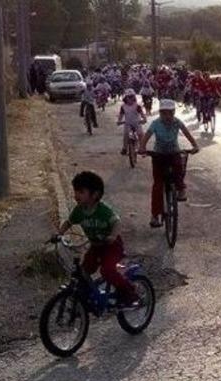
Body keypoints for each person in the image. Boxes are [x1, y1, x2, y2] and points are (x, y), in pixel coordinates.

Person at [55, 171, 138, 306]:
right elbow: (69, 222)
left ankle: (129, 291)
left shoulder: (103, 210)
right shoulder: (79, 210)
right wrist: (59, 233)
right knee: (83, 271)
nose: (76, 195)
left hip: (112, 246)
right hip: (96, 246)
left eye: (81, 192)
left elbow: (116, 222)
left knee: (107, 270)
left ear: (95, 195)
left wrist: (112, 235)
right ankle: (86, 296)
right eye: (76, 191)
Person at [138, 99, 200, 227]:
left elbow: (187, 134)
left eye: (170, 113)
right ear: (160, 113)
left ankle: (181, 189)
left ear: (174, 113)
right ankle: (155, 215)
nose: (167, 116)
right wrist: (142, 147)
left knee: (179, 169)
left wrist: (195, 145)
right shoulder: (155, 123)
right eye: (164, 113)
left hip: (173, 153)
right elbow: (146, 136)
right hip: (158, 155)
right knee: (157, 186)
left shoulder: (177, 122)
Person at [117, 89, 147, 155]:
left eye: (131, 96)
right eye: (128, 97)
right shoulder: (123, 106)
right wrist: (119, 121)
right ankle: (124, 148)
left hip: (137, 123)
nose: (130, 98)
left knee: (140, 134)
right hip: (127, 123)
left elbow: (142, 114)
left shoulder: (137, 106)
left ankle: (142, 148)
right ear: (126, 98)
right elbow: (121, 115)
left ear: (134, 97)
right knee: (126, 135)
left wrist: (144, 119)